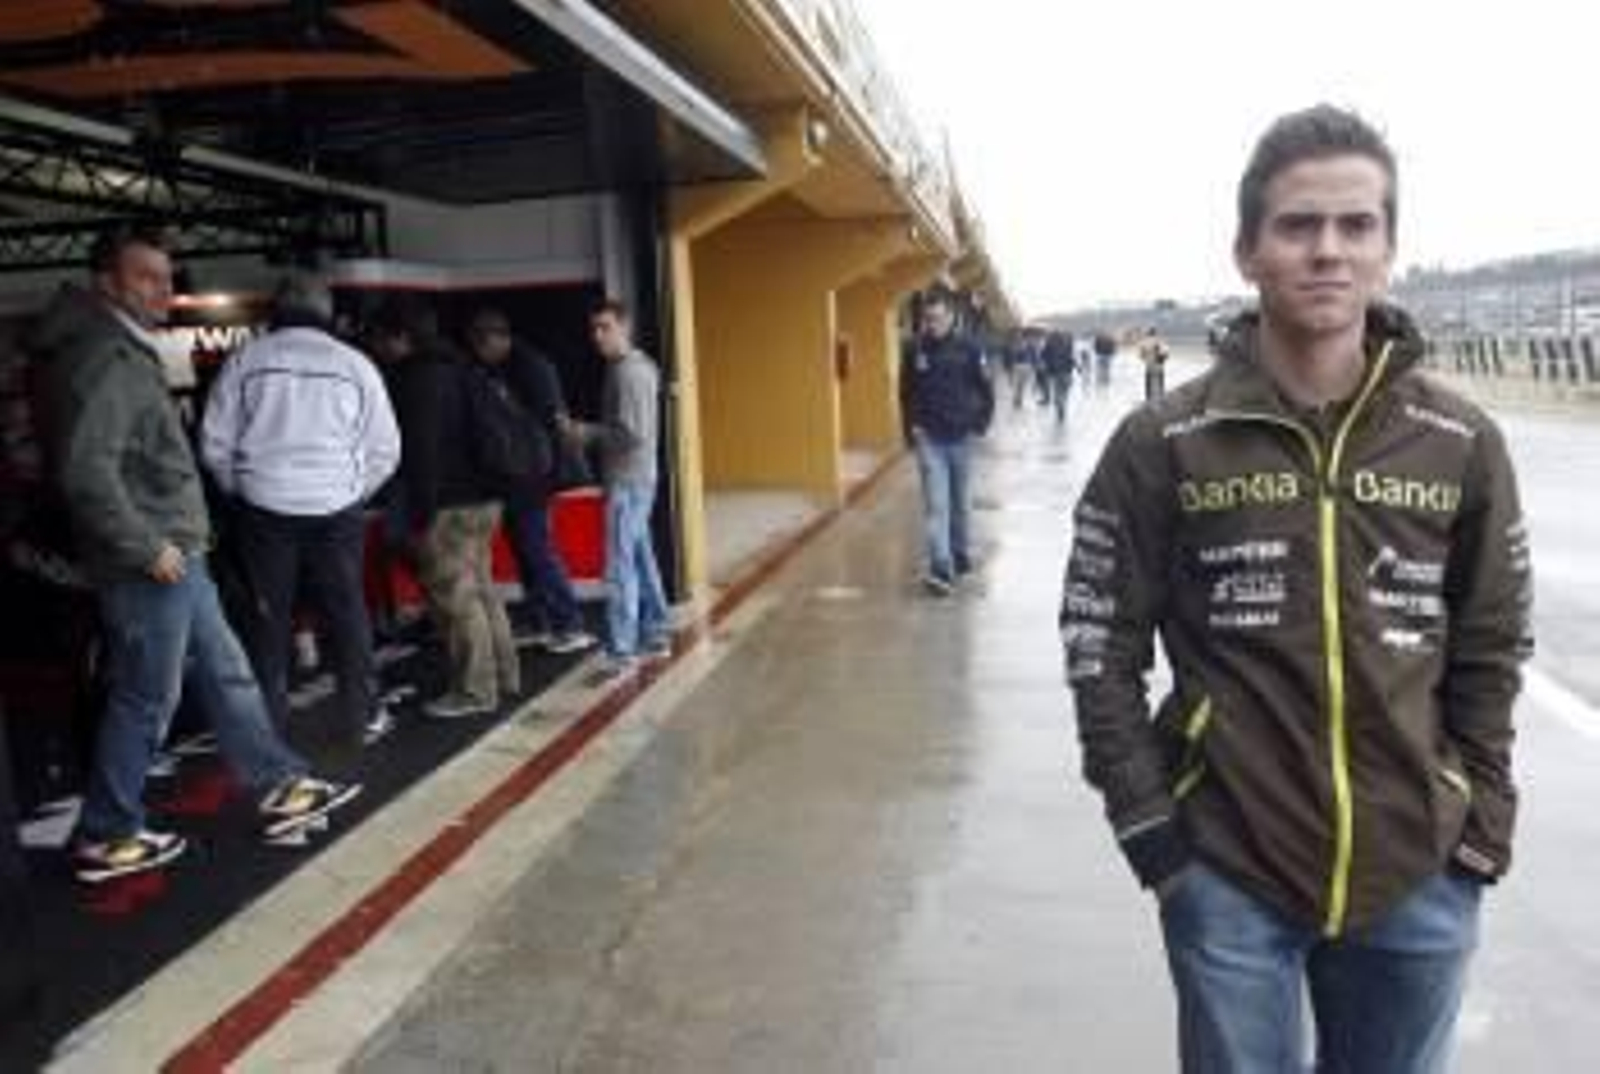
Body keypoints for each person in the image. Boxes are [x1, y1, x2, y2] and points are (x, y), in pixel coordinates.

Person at [1060, 104, 1533, 1073]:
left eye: (1356, 225)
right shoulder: (1164, 442)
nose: (1328, 250)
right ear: (1246, 252)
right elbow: (1097, 643)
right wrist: (1151, 829)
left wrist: (1481, 826)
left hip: (1419, 872)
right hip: (1227, 870)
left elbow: (1492, 645)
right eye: (1297, 225)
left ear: (1388, 251)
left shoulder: (1459, 443)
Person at [32, 228, 359, 883]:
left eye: (166, 276)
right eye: (145, 276)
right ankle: (107, 833)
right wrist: (147, 545)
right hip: (151, 560)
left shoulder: (121, 348)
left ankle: (277, 782)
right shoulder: (105, 357)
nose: (163, 289)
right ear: (106, 283)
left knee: (227, 673)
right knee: (146, 698)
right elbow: (87, 472)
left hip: (177, 553)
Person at [200, 274, 401, 748]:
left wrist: (242, 489)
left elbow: (214, 444)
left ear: (276, 310)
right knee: (347, 613)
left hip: (263, 511)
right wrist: (352, 493)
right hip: (337, 510)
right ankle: (362, 716)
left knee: (268, 621)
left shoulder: (246, 361)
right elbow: (385, 450)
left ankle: (267, 730)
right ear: (326, 313)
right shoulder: (355, 365)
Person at [371, 299, 521, 719]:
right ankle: (504, 676)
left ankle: (474, 691)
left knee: (455, 600)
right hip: (486, 499)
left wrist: (420, 516)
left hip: (449, 504)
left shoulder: (418, 378)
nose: (380, 348)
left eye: (382, 339)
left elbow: (422, 455)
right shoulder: (462, 365)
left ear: (401, 337)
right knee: (483, 590)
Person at [465, 309, 595, 656]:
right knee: (526, 550)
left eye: (482, 345)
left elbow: (549, 426)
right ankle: (541, 620)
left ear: (498, 339)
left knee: (538, 550)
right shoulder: (502, 368)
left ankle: (569, 623)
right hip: (519, 477)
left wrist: (542, 477)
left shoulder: (531, 367)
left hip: (535, 476)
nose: (478, 353)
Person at [562, 299, 670, 673]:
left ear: (625, 327)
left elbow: (631, 435)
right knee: (639, 556)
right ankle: (656, 630)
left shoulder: (628, 373)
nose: (597, 336)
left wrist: (585, 433)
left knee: (620, 567)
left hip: (628, 482)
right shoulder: (633, 367)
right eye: (594, 328)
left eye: (605, 327)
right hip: (637, 479)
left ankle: (623, 649)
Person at [899, 286, 994, 594]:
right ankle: (941, 568)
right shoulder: (915, 348)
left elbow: (985, 389)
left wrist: (979, 425)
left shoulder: (970, 348)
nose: (933, 325)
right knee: (937, 506)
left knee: (960, 505)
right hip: (930, 439)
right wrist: (911, 428)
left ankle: (959, 553)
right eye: (929, 319)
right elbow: (906, 392)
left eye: (938, 318)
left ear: (952, 316)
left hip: (961, 438)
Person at [1039, 329, 1076, 425]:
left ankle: (1060, 404)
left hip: (1056, 373)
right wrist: (1075, 367)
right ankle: (1061, 404)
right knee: (1063, 391)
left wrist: (1045, 366)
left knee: (1058, 392)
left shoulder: (1049, 345)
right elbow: (1071, 358)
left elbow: (1043, 356)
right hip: (1066, 372)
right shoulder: (1066, 345)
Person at [1139, 326, 1170, 401]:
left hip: (1149, 362)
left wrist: (1145, 358)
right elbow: (1165, 351)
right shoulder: (1159, 340)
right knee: (1160, 378)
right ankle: (1161, 393)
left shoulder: (1144, 342)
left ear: (1148, 333)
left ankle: (1148, 396)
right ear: (1155, 333)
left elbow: (1141, 355)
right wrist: (1163, 358)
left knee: (1148, 379)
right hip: (1158, 362)